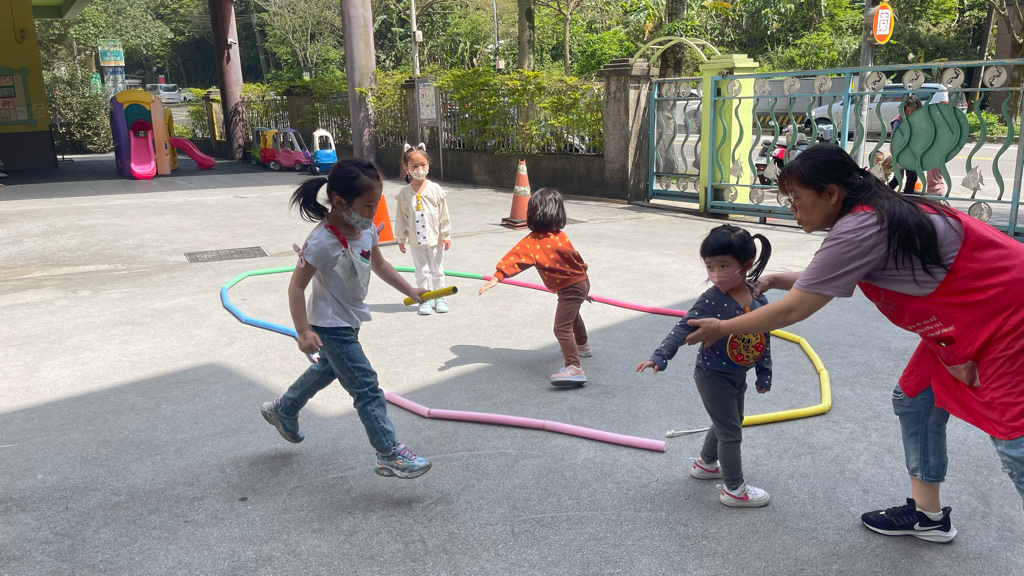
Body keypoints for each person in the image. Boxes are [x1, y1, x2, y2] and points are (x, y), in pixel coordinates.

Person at [685, 143, 1024, 542]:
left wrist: (722, 328)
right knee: (914, 399)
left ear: (831, 194)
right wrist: (774, 279)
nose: (792, 210)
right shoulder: (874, 214)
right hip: (962, 322)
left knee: (1014, 436)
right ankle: (928, 517)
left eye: (796, 199)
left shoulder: (863, 226)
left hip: (1007, 318)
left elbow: (793, 310)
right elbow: (825, 275)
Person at [260, 158, 433, 480]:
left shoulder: (365, 231)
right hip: (329, 324)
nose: (373, 212)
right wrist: (302, 331)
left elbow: (380, 265)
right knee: (366, 387)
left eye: (377, 204)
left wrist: (410, 290)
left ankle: (284, 409)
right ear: (339, 202)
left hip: (349, 319)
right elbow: (296, 287)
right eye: (368, 205)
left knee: (328, 368)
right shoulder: (320, 241)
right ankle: (389, 453)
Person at [637, 225, 774, 507]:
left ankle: (706, 463)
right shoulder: (712, 298)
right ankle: (734, 489)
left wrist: (764, 373)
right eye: (710, 266)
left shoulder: (759, 299)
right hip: (712, 375)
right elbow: (682, 327)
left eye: (723, 266)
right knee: (730, 432)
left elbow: (763, 339)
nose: (715, 274)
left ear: (746, 265)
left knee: (730, 422)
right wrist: (660, 356)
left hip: (738, 374)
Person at [478, 188, 592, 387]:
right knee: (572, 316)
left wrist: (498, 276)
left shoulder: (532, 242)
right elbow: (575, 260)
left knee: (561, 328)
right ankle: (582, 345)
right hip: (580, 281)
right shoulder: (560, 235)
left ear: (532, 213)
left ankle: (574, 367)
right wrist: (582, 290)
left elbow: (515, 259)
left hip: (571, 287)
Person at [394, 143, 452, 315]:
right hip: (415, 240)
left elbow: (443, 214)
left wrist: (446, 234)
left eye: (423, 165)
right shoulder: (404, 193)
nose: (419, 169)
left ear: (428, 165)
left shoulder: (435, 189)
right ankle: (424, 298)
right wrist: (401, 238)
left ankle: (440, 296)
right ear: (406, 168)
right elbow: (401, 218)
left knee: (437, 270)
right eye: (414, 166)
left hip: (435, 238)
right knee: (421, 271)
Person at [889, 96, 923, 194]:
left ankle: (908, 196)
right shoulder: (898, 121)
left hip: (913, 153)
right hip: (899, 153)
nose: (909, 113)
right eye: (907, 111)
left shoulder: (919, 119)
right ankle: (885, 193)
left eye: (913, 111)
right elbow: (895, 140)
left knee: (912, 176)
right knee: (898, 178)